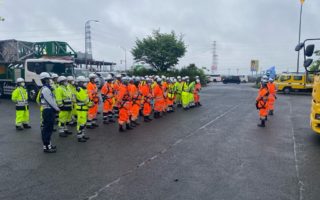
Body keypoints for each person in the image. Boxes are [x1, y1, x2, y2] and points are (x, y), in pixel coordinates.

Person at [39, 72, 60, 153]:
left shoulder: (46, 88)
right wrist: (57, 108)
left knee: (49, 129)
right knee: (47, 130)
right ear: (44, 80)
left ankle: (49, 145)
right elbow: (51, 101)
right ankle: (46, 147)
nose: (49, 81)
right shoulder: (46, 89)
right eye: (48, 79)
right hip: (48, 110)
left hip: (48, 110)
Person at [75, 76, 92, 142]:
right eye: (83, 82)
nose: (84, 83)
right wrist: (90, 104)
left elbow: (87, 98)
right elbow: (84, 99)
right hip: (81, 109)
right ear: (79, 82)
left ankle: (82, 135)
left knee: (83, 123)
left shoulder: (83, 89)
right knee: (81, 123)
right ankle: (79, 137)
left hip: (84, 108)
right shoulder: (79, 89)